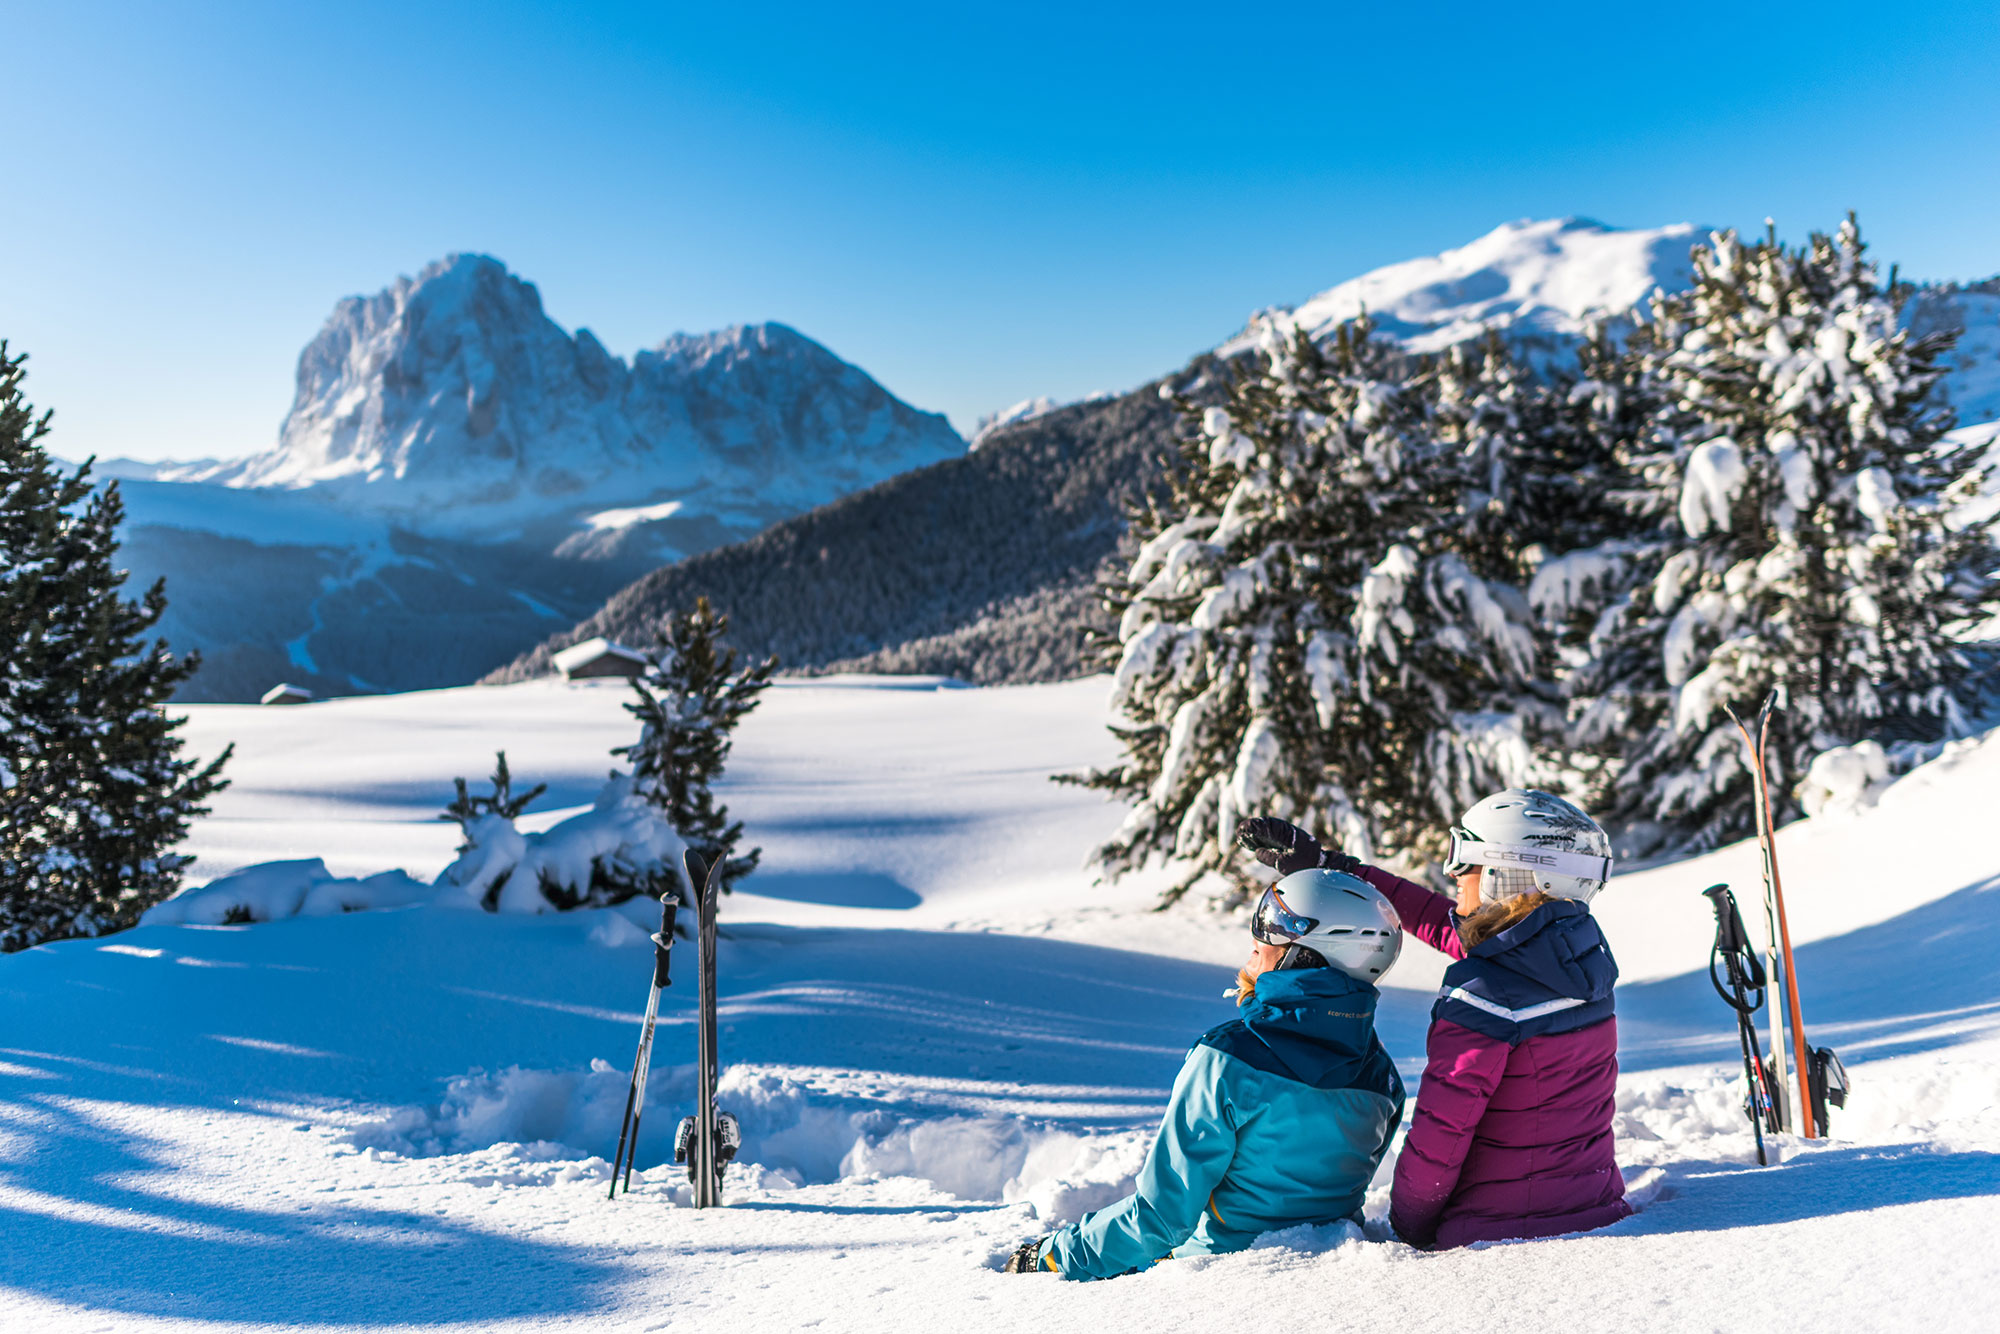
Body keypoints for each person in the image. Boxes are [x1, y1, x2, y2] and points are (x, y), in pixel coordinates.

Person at [1233, 791, 1631, 1250]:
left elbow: (1441, 1139)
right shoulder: (1573, 958)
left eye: (1466, 857)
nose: (1452, 871)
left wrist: (1409, 1229)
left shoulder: (1485, 997)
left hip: (1499, 1241)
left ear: (1512, 873)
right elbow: (1448, 925)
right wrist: (1335, 866)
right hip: (1598, 1210)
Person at [1001, 868, 1407, 1278]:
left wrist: (1053, 1254)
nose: (1255, 943)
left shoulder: (1229, 1060)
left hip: (1219, 1275)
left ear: (1309, 956)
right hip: (1331, 1271)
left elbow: (1159, 1220)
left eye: (1275, 930)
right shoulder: (1382, 1078)